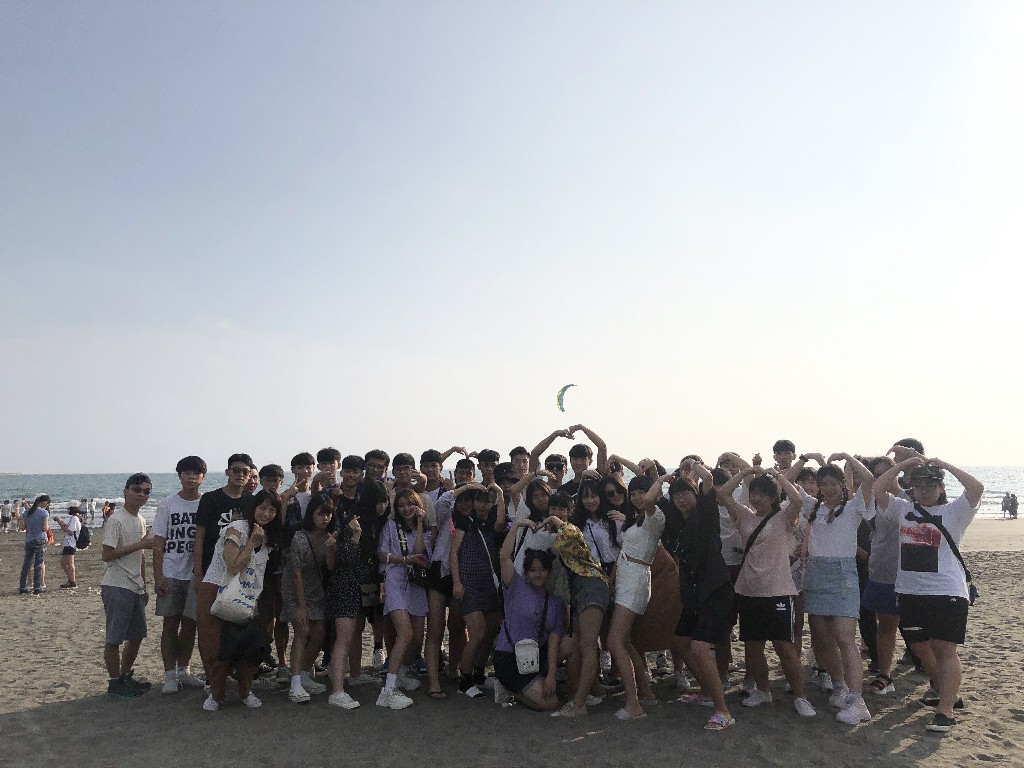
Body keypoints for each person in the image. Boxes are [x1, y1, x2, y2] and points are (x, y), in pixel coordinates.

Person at [873, 456, 984, 733]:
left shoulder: (955, 512)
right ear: (911, 487)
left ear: (940, 487)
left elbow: (976, 488)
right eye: (918, 485)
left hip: (947, 591)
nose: (923, 490)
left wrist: (946, 465)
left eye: (930, 485)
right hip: (910, 591)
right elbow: (878, 488)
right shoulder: (903, 508)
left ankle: (945, 711)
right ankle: (945, 689)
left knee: (945, 649)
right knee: (919, 645)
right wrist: (903, 465)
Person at [717, 467, 816, 718]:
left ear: (773, 497)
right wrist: (745, 472)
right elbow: (724, 494)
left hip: (778, 590)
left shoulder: (783, 518)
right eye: (753, 493)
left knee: (784, 646)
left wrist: (778, 476)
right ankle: (762, 690)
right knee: (753, 646)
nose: (756, 498)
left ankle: (800, 696)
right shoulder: (744, 515)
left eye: (762, 494)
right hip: (749, 590)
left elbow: (797, 500)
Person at [800, 455, 875, 725]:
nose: (828, 488)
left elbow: (869, 479)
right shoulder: (813, 507)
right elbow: (786, 481)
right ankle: (839, 686)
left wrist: (847, 457)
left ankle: (857, 700)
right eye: (824, 483)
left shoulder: (853, 506)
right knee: (822, 638)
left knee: (845, 638)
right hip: (816, 572)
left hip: (843, 573)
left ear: (842, 484)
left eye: (834, 483)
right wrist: (804, 459)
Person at [200, 489, 282, 711]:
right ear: (252, 508)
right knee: (217, 648)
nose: (266, 514)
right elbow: (233, 566)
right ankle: (216, 695)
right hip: (217, 590)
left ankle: (245, 691)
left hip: (247, 595)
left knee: (250, 647)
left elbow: (257, 573)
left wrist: (254, 600)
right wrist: (252, 543)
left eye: (272, 510)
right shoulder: (238, 528)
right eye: (262, 508)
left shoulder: (268, 537)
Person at [542, 492, 610, 717]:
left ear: (570, 511)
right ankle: (593, 692)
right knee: (580, 643)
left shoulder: (571, 530)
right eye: (553, 509)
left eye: (562, 509)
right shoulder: (559, 532)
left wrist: (553, 520)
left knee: (588, 645)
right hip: (582, 589)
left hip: (591, 585)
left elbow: (567, 533)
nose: (557, 513)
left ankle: (579, 704)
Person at [606, 468, 666, 720]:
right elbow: (625, 550)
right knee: (626, 641)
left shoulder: (655, 516)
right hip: (625, 576)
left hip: (636, 579)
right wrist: (611, 580)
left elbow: (651, 501)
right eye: (634, 493)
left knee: (614, 641)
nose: (638, 497)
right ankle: (646, 694)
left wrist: (659, 479)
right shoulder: (636, 518)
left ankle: (633, 704)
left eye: (642, 491)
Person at [494, 520, 567, 712]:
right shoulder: (515, 586)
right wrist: (517, 526)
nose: (538, 574)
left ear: (549, 572)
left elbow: (554, 640)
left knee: (571, 642)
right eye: (533, 570)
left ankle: (535, 683)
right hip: (509, 657)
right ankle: (509, 688)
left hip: (535, 658)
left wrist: (551, 675)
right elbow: (504, 557)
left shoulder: (555, 602)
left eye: (542, 570)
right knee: (550, 703)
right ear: (526, 573)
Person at [193, 453, 253, 679]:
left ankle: (232, 672)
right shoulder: (211, 499)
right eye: (236, 470)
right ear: (227, 472)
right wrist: (198, 572)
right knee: (209, 627)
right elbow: (199, 537)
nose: (240, 475)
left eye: (245, 472)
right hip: (211, 570)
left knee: (235, 625)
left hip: (239, 572)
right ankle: (211, 676)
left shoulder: (250, 501)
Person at [152, 456, 207, 694]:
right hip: (171, 571)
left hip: (196, 573)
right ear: (179, 476)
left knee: (190, 624)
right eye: (186, 473)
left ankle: (184, 669)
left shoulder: (206, 503)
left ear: (203, 477)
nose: (191, 477)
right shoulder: (167, 504)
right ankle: (169, 675)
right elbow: (158, 542)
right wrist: (158, 575)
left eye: (196, 473)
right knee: (170, 623)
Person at [101, 475, 157, 699]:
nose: (141, 494)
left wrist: (144, 584)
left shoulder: (140, 519)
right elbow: (107, 555)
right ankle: (115, 682)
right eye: (137, 490)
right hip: (116, 583)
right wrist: (139, 544)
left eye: (146, 491)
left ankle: (124, 676)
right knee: (114, 637)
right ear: (126, 491)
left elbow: (141, 555)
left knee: (137, 635)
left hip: (135, 586)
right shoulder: (116, 520)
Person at [376, 488, 431, 709]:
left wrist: (420, 523)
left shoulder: (423, 529)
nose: (406, 509)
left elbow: (420, 553)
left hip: (416, 584)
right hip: (395, 580)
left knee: (416, 637)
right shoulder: (390, 526)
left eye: (410, 504)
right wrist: (404, 560)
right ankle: (388, 689)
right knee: (404, 633)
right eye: (401, 505)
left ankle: (401, 671)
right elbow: (382, 554)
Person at [451, 483, 504, 697]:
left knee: (491, 630)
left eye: (487, 501)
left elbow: (501, 523)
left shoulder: (490, 522)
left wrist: (500, 493)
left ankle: (479, 673)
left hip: (489, 584)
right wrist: (457, 582)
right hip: (469, 584)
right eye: (479, 500)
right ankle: (465, 681)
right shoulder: (465, 521)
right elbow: (453, 552)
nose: (483, 505)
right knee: (478, 633)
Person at [282, 493, 334, 703]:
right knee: (302, 629)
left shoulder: (329, 536)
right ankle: (295, 683)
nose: (325, 518)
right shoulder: (300, 537)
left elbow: (330, 566)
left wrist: (331, 548)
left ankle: (304, 674)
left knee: (319, 632)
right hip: (294, 587)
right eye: (320, 514)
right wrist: (302, 606)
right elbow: (295, 571)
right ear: (311, 514)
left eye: (328, 514)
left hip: (315, 587)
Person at [325, 493, 365, 709]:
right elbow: (344, 559)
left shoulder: (341, 528)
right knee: (343, 640)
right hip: (343, 588)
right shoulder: (341, 530)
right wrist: (355, 534)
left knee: (345, 639)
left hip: (348, 587)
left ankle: (339, 686)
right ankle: (337, 691)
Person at [19, 495, 51, 595]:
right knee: (38, 564)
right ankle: (37, 586)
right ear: (43, 502)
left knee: (27, 564)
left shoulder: (27, 512)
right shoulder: (44, 513)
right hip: (40, 539)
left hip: (29, 540)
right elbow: (45, 528)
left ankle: (22, 586)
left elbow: (23, 528)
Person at [53, 502, 82, 589]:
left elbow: (69, 531)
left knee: (69, 563)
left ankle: (72, 582)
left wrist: (59, 521)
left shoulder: (74, 518)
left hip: (70, 543)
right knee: (63, 563)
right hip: (70, 543)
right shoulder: (76, 518)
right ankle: (70, 580)